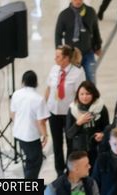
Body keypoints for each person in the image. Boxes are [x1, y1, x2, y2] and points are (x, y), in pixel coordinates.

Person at [47, 44, 88, 174]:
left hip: (69, 114)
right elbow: (49, 88)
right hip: (54, 112)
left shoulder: (78, 72)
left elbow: (80, 94)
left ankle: (70, 169)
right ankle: (59, 171)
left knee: (71, 143)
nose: (55, 59)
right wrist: (44, 106)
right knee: (57, 144)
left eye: (58, 57)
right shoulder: (54, 69)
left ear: (66, 58)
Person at [55, 0, 103, 83]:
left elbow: (95, 30)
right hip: (72, 55)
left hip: (88, 52)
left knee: (91, 79)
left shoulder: (90, 12)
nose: (78, 2)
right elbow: (58, 34)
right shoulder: (64, 15)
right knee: (72, 81)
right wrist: (59, 51)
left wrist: (98, 46)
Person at [10, 70, 51, 179]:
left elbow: (13, 114)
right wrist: (45, 135)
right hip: (31, 135)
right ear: (36, 83)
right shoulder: (38, 99)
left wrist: (18, 125)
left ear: (23, 81)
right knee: (35, 162)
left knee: (29, 159)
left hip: (18, 133)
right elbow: (41, 121)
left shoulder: (16, 94)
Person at [67, 81, 110, 167]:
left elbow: (107, 129)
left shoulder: (101, 108)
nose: (84, 97)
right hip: (79, 153)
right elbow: (69, 134)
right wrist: (78, 123)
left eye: (88, 94)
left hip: (96, 151)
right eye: (81, 94)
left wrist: (102, 134)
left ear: (93, 94)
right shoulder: (73, 109)